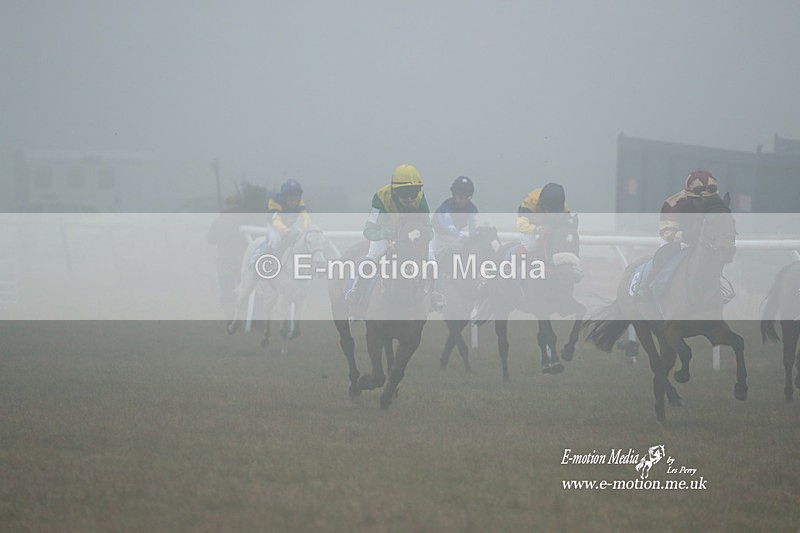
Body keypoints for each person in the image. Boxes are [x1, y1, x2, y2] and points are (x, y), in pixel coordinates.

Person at [345, 164, 441, 309]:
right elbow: (369, 230)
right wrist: (385, 234)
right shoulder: (381, 197)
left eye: (413, 193)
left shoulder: (420, 198)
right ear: (394, 191)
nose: (409, 198)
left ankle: (434, 294)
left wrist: (420, 237)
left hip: (411, 235)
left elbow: (429, 229)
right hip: (386, 232)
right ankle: (358, 289)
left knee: (432, 258)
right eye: (404, 193)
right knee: (374, 255)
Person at [430, 176, 479, 260]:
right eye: (460, 198)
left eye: (466, 198)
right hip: (437, 237)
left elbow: (473, 227)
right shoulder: (445, 207)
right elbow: (448, 227)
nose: (463, 201)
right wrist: (460, 236)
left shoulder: (473, 210)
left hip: (454, 239)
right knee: (429, 255)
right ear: (454, 195)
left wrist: (472, 241)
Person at [516, 182, 570, 255]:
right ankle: (514, 262)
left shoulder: (562, 206)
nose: (551, 214)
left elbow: (568, 224)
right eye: (549, 211)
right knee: (531, 246)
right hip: (530, 224)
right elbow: (521, 225)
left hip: (549, 224)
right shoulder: (530, 202)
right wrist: (538, 229)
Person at [265, 178, 311, 255]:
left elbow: (306, 217)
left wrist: (306, 229)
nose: (293, 202)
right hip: (274, 226)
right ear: (284, 197)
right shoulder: (275, 201)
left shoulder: (300, 202)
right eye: (290, 199)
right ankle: (269, 260)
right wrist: (286, 231)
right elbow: (276, 221)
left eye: (296, 199)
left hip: (290, 226)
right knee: (275, 240)